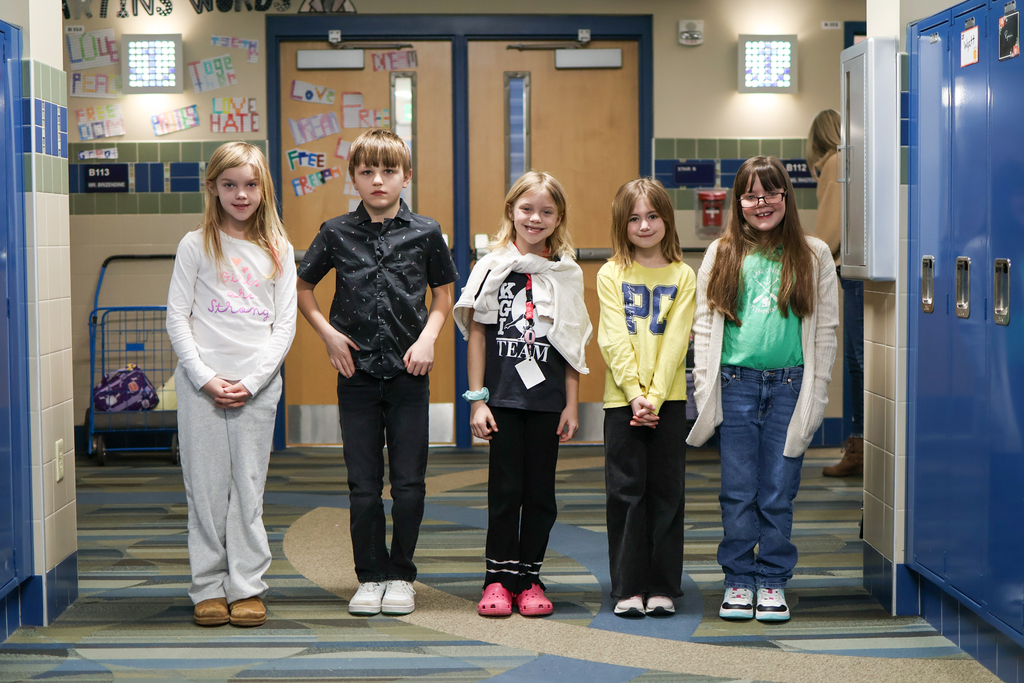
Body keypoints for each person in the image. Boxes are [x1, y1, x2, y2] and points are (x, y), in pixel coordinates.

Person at [296, 128, 458, 617]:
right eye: (367, 172)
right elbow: (303, 289)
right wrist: (327, 334)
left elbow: (443, 295)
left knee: (409, 484)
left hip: (410, 375)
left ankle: (401, 575)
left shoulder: (427, 232)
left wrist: (429, 338)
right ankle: (369, 576)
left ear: (405, 176)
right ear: (354, 179)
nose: (378, 180)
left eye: (388, 171)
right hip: (357, 376)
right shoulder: (335, 232)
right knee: (363, 485)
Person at [686, 156, 838, 622]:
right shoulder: (722, 252)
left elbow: (826, 331)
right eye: (751, 195)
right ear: (739, 202)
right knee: (736, 490)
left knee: (777, 488)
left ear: (787, 199)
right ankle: (737, 578)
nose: (761, 203)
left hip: (790, 385)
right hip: (735, 384)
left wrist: (817, 396)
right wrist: (703, 387)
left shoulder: (813, 254)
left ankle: (770, 581)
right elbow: (705, 328)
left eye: (771, 193)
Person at [166, 141, 297, 628]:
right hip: (202, 386)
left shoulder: (278, 249)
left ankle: (245, 587)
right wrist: (203, 377)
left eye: (250, 184)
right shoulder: (194, 244)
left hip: (257, 388)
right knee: (205, 489)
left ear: (263, 189)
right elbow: (177, 317)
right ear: (213, 188)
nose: (240, 194)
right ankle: (207, 587)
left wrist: (254, 380)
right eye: (229, 185)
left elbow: (284, 327)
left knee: (247, 489)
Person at [454, 171, 591, 618]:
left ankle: (530, 579)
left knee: (541, 496)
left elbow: (572, 341)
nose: (535, 218)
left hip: (548, 402)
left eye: (546, 212)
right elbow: (476, 333)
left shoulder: (565, 272)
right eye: (526, 209)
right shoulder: (491, 266)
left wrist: (572, 402)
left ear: (558, 218)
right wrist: (477, 399)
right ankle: (497, 579)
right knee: (504, 491)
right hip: (504, 401)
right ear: (511, 211)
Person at [597, 178, 696, 618]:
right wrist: (636, 395)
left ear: (666, 220)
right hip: (623, 402)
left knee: (666, 493)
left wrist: (655, 397)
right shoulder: (610, 273)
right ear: (623, 224)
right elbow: (613, 338)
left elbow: (677, 342)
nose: (644, 225)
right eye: (634, 218)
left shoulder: (683, 275)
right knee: (626, 494)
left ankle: (661, 586)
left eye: (652, 216)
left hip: (669, 401)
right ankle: (628, 586)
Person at [808, 109, 864, 477]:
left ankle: (860, 447)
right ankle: (861, 446)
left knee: (858, 360)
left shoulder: (834, 162)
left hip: (852, 270)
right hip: (865, 268)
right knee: (860, 359)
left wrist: (808, 265)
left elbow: (829, 228)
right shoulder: (854, 157)